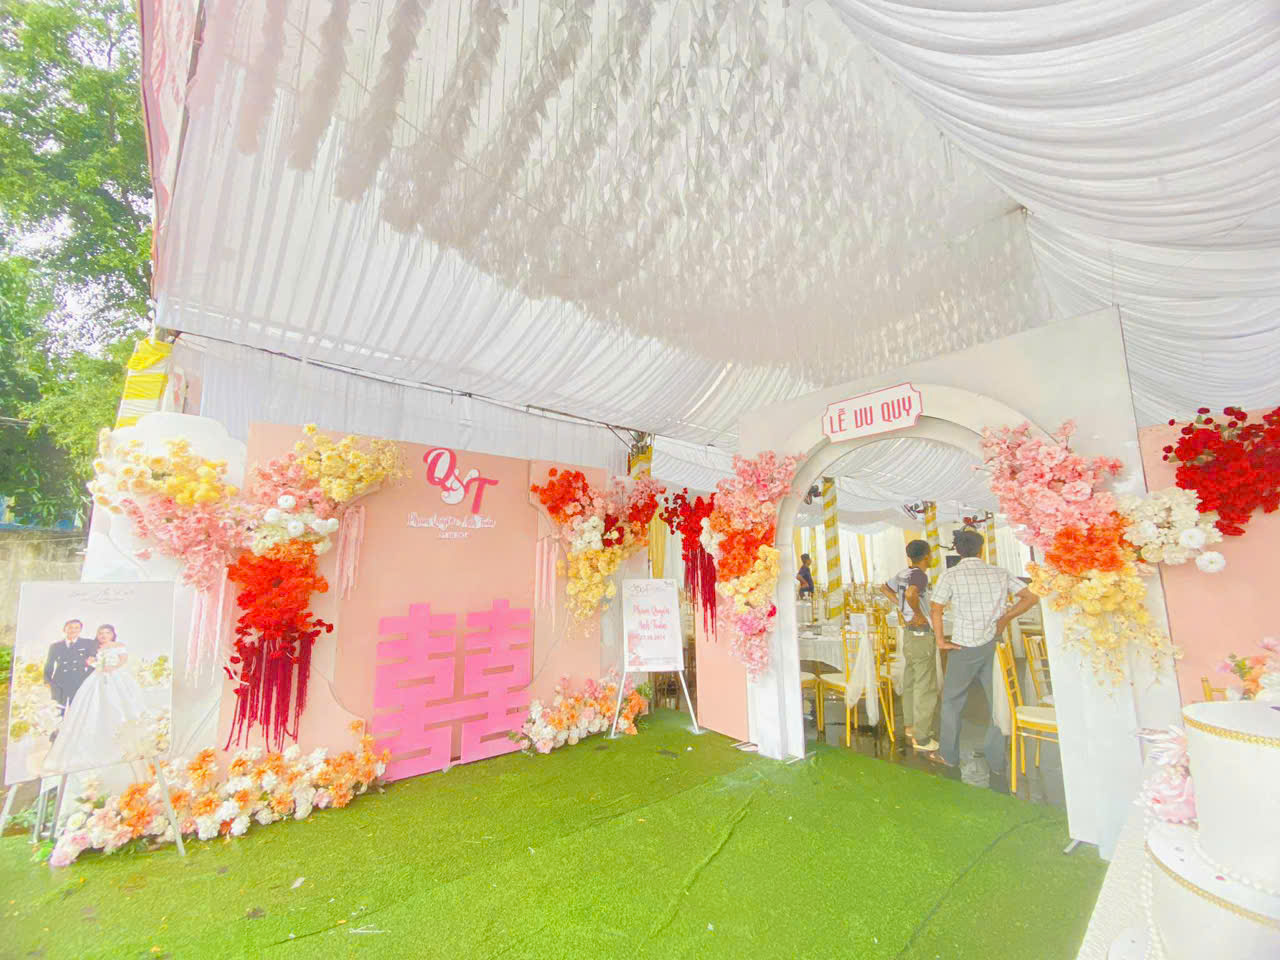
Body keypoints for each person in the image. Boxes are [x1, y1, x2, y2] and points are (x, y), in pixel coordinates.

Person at [928, 530, 1039, 792]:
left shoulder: (950, 575)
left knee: (952, 702)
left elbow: (936, 608)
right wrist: (1006, 618)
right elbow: (1031, 597)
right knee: (998, 701)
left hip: (962, 645)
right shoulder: (1000, 573)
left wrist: (941, 640)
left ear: (957, 550)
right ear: (982, 548)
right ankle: (996, 757)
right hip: (993, 645)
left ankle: (949, 755)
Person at [43, 624, 150, 776]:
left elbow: (123, 659)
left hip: (115, 676)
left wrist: (114, 667)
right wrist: (93, 663)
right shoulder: (96, 648)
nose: (104, 635)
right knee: (89, 704)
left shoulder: (118, 645)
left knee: (119, 703)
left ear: (112, 634)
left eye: (107, 633)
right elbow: (92, 662)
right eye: (101, 633)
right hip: (98, 676)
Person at [881, 539, 938, 753]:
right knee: (925, 684)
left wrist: (903, 607)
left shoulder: (903, 573)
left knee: (911, 680)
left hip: (908, 633)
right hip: (921, 633)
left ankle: (909, 726)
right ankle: (922, 737)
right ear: (927, 555)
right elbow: (912, 594)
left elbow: (884, 588)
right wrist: (917, 613)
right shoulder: (919, 575)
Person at [43, 618, 97, 724]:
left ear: (80, 630)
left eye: (76, 628)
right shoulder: (55, 646)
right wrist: (48, 680)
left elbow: (94, 663)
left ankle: (75, 733)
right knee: (58, 710)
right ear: (64, 629)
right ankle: (56, 730)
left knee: (78, 710)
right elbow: (49, 664)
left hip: (79, 681)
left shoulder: (88, 643)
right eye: (70, 627)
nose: (73, 630)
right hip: (59, 681)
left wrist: (89, 679)